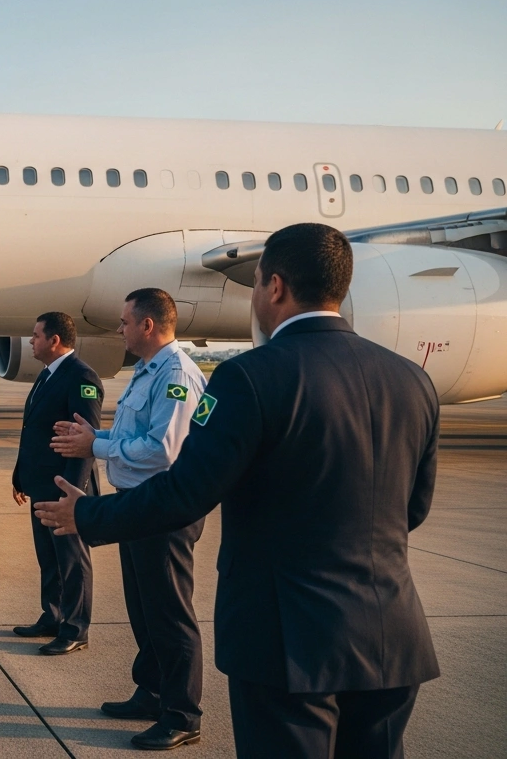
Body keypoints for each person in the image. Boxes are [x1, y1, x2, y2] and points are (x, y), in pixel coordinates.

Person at [35, 223, 441, 758]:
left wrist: (87, 516)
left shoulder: (249, 379)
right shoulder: (412, 378)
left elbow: (184, 491)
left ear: (274, 287)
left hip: (288, 640)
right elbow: (413, 508)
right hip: (392, 638)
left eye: (254, 286)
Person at [48, 289, 206, 750]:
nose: (120, 329)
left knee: (169, 611)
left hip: (165, 510)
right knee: (143, 606)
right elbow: (131, 434)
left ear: (148, 326)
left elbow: (163, 449)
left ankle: (182, 714)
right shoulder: (147, 370)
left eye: (124, 322)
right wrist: (94, 434)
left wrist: (95, 447)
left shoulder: (176, 373)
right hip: (139, 506)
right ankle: (153, 691)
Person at [11, 311, 102, 652]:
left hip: (66, 490)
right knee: (48, 556)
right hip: (42, 486)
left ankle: (76, 628)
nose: (31, 341)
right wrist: (21, 477)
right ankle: (52, 615)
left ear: (54, 340)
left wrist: (74, 495)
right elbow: (32, 431)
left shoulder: (82, 377)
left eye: (36, 336)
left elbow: (85, 441)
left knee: (72, 559)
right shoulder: (47, 375)